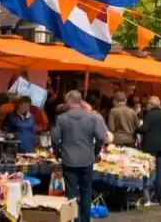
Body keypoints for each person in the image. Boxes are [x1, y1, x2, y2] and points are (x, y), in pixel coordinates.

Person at [51, 90, 106, 222]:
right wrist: (96, 151)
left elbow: (54, 138)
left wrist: (57, 152)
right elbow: (100, 137)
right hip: (87, 159)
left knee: (71, 193)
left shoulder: (61, 118)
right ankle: (85, 219)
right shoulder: (92, 118)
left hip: (68, 159)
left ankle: (73, 218)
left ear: (69, 101)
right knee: (86, 191)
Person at [138, 96, 161, 206]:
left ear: (150, 104)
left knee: (148, 170)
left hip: (150, 146)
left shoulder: (150, 115)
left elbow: (144, 129)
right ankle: (158, 197)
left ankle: (147, 195)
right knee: (159, 173)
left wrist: (136, 129)